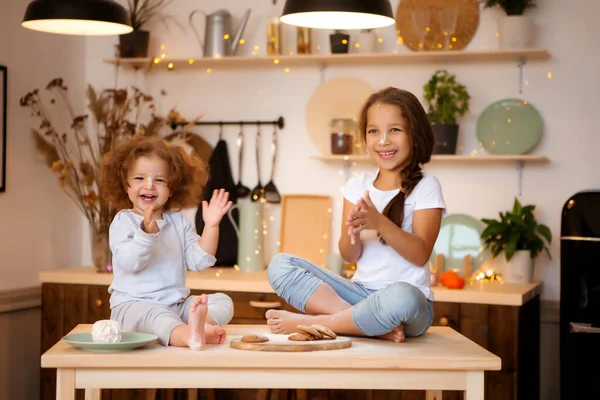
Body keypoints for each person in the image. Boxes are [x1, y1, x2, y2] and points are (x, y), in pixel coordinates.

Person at [266, 87, 447, 342]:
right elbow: (349, 255)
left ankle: (319, 323)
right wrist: (353, 234)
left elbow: (420, 255)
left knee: (401, 296)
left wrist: (380, 223)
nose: (383, 141)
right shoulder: (357, 185)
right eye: (374, 131)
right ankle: (372, 326)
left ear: (415, 135)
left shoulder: (426, 186)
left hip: (409, 307)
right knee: (281, 265)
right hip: (360, 294)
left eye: (394, 130)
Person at [101, 136, 234, 350]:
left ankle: (201, 325)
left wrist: (211, 226)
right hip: (134, 308)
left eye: (160, 180)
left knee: (223, 301)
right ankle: (189, 335)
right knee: (157, 316)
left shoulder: (178, 222)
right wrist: (145, 234)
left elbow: (199, 261)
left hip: (176, 306)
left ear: (172, 188)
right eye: (139, 178)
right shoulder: (123, 221)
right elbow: (129, 262)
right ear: (126, 185)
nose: (150, 185)